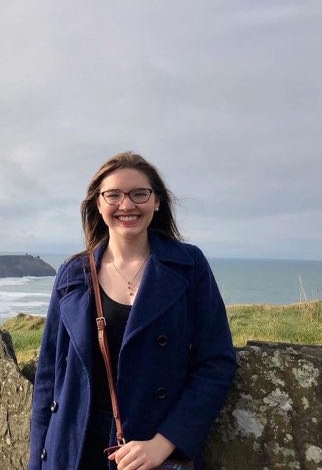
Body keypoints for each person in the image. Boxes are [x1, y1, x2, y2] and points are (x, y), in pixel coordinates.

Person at [28, 151, 237, 470]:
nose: (126, 205)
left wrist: (164, 442)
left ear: (157, 202)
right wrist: (38, 462)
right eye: (113, 195)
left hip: (148, 452)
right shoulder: (73, 273)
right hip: (73, 448)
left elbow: (216, 362)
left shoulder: (188, 266)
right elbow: (48, 376)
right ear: (97, 204)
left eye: (139, 194)